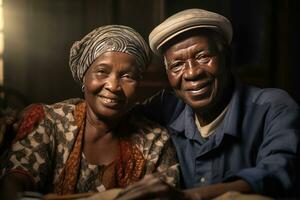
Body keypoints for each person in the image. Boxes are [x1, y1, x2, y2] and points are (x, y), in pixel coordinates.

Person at [115, 8, 300, 200]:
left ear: (226, 57)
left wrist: (188, 197)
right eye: (176, 65)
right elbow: (114, 122)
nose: (192, 73)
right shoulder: (166, 105)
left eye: (203, 56)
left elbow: (278, 172)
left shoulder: (273, 107)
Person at [0, 25, 179, 199]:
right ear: (83, 76)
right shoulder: (49, 122)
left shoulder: (154, 141)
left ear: (138, 83)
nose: (113, 86)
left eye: (127, 76)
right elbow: (15, 181)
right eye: (102, 71)